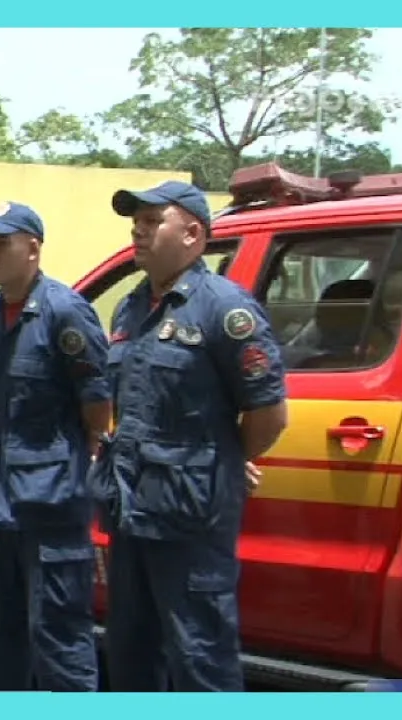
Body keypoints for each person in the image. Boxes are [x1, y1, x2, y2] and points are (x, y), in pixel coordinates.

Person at [101, 180, 288, 692]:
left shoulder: (225, 311)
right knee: (132, 655)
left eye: (152, 219)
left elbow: (269, 414)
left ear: (192, 233)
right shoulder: (131, 307)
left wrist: (226, 459)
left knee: (199, 658)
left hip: (190, 517)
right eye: (134, 220)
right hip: (132, 509)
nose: (138, 229)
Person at [0, 201, 111, 691]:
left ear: (33, 248)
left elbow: (97, 406)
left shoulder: (64, 312)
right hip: (2, 503)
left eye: (0, 243)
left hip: (51, 504)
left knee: (59, 636)